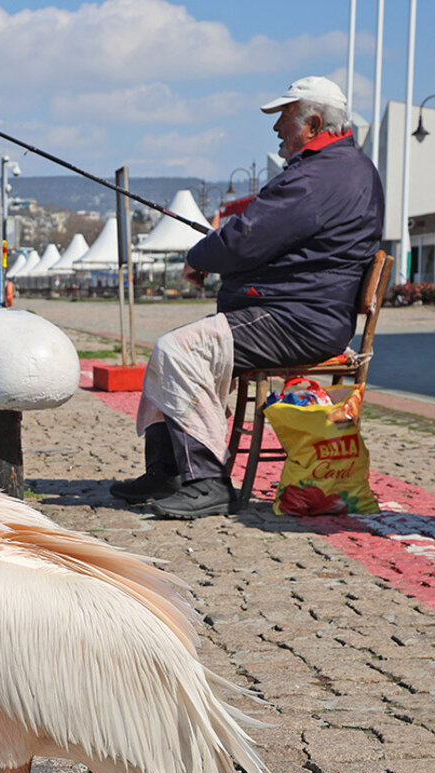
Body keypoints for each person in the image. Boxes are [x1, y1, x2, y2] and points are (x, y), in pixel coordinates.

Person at [111, 75, 385, 518]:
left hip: (299, 318)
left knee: (178, 351)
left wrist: (201, 254)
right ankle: (167, 472)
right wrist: (218, 252)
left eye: (284, 119)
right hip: (303, 311)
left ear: (313, 123)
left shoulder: (319, 176)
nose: (277, 129)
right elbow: (267, 237)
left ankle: (205, 482)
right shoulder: (341, 168)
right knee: (173, 349)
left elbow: (248, 237)